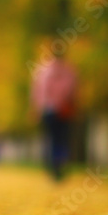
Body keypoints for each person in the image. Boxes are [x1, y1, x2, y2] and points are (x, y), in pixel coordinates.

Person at [30, 45, 78, 181]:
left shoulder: (42, 70)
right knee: (62, 138)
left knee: (50, 138)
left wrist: (37, 109)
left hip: (48, 110)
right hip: (64, 110)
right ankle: (60, 164)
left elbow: (38, 92)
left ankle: (51, 165)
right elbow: (73, 91)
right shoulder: (70, 70)